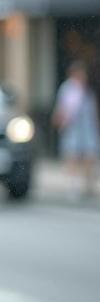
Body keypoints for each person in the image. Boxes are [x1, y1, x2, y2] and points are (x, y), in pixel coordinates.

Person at [53, 60, 99, 199]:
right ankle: (74, 187)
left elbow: (92, 112)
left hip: (87, 128)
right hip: (73, 127)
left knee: (89, 156)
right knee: (72, 156)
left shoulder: (86, 90)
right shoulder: (68, 89)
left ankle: (87, 185)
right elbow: (61, 108)